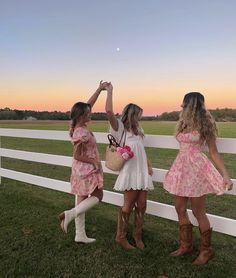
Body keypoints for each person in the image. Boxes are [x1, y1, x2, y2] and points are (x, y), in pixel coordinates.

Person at [163, 92, 233, 265]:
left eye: (185, 104)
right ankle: (186, 245)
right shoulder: (183, 123)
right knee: (179, 207)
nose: (182, 106)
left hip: (196, 171)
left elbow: (214, 152)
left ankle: (206, 250)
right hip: (181, 168)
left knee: (197, 211)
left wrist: (225, 174)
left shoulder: (205, 124)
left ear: (192, 105)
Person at [105, 83, 154, 250]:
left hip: (141, 171)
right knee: (128, 205)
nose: (140, 118)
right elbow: (109, 112)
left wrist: (148, 164)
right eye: (138, 115)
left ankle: (137, 235)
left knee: (142, 204)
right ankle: (121, 236)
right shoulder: (119, 128)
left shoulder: (138, 129)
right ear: (132, 114)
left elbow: (141, 149)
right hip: (130, 171)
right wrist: (110, 91)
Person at [59, 81, 108, 243]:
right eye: (88, 113)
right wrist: (93, 160)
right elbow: (77, 155)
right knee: (98, 195)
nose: (91, 114)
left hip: (80, 170)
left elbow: (88, 105)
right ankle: (70, 214)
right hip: (86, 168)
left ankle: (79, 234)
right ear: (81, 116)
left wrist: (99, 90)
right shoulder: (82, 133)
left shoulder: (75, 125)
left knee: (81, 197)